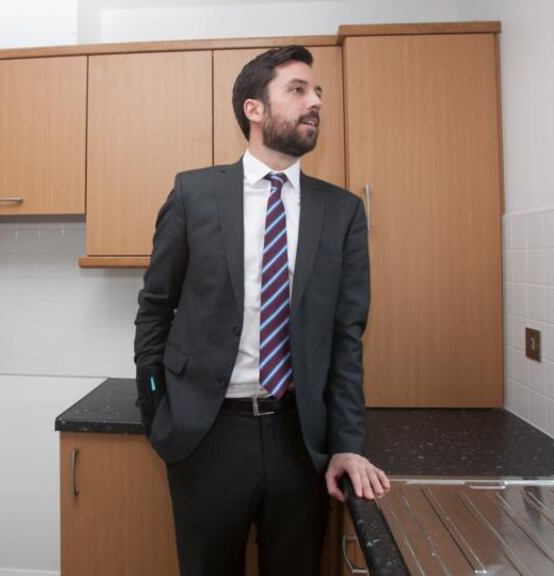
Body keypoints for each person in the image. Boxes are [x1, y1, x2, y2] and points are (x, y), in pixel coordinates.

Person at [134, 45, 390, 575]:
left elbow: (346, 336)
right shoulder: (194, 194)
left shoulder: (342, 212)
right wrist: (158, 412)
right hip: (206, 435)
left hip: (299, 439)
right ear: (254, 109)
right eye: (297, 90)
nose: (315, 101)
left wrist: (346, 445)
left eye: (317, 92)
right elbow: (155, 308)